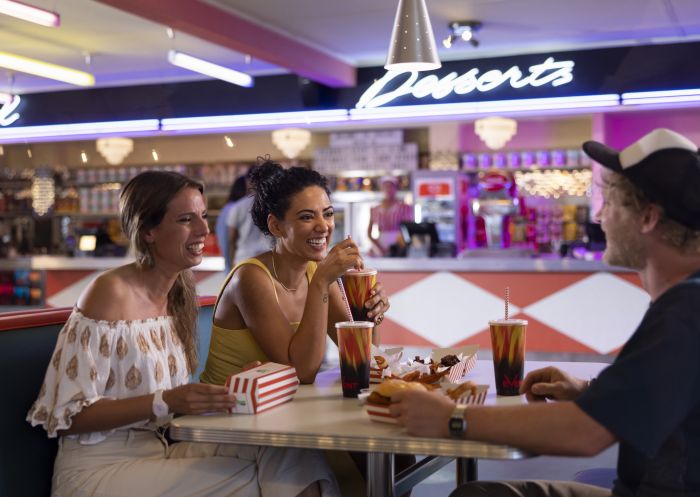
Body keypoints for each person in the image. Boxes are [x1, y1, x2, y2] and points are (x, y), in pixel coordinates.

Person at [389, 128, 700, 497]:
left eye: (611, 204)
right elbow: (667, 393)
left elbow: (585, 434)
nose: (599, 217)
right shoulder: (685, 301)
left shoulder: (687, 309)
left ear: (648, 217)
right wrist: (588, 391)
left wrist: (450, 418)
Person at [26, 170, 340, 497]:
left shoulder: (180, 292)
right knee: (261, 479)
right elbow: (69, 416)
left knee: (291, 451)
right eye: (186, 219)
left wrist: (241, 387)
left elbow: (170, 401)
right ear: (148, 230)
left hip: (160, 449)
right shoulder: (109, 292)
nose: (204, 229)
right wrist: (165, 401)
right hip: (100, 468)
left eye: (203, 217)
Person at [201, 160, 390, 385]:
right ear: (276, 226)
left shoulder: (316, 272)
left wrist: (371, 314)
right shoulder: (250, 278)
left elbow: (364, 355)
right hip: (224, 413)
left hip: (277, 409)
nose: (324, 226)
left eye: (327, 214)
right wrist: (320, 282)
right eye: (307, 217)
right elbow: (301, 372)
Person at [225, 168, 270, 272]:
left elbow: (231, 238)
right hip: (268, 257)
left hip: (244, 258)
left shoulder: (238, 206)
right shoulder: (273, 204)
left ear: (248, 182)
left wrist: (231, 264)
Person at [367, 176, 413, 257]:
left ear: (396, 189)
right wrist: (379, 247)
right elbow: (369, 233)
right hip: (380, 246)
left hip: (399, 245)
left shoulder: (404, 208)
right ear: (382, 189)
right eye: (386, 186)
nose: (388, 189)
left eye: (391, 186)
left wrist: (397, 247)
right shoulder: (374, 209)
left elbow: (408, 230)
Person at [216, 175, 247, 274]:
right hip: (236, 265)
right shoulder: (235, 208)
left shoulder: (228, 208)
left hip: (233, 265)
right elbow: (229, 240)